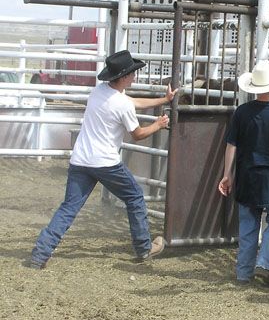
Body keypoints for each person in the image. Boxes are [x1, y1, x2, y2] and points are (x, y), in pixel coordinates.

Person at [30, 50, 177, 269]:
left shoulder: (99, 92)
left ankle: (40, 254)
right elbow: (137, 135)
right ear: (125, 77)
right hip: (106, 162)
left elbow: (132, 101)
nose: (135, 76)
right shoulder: (121, 104)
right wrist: (158, 124)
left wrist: (163, 99)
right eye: (133, 73)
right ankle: (143, 248)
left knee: (69, 208)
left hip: (81, 159)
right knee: (135, 197)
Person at [218, 59, 269, 287]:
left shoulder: (242, 113)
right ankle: (265, 263)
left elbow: (231, 145)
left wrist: (227, 174)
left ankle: (243, 273)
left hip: (247, 176)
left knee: (248, 224)